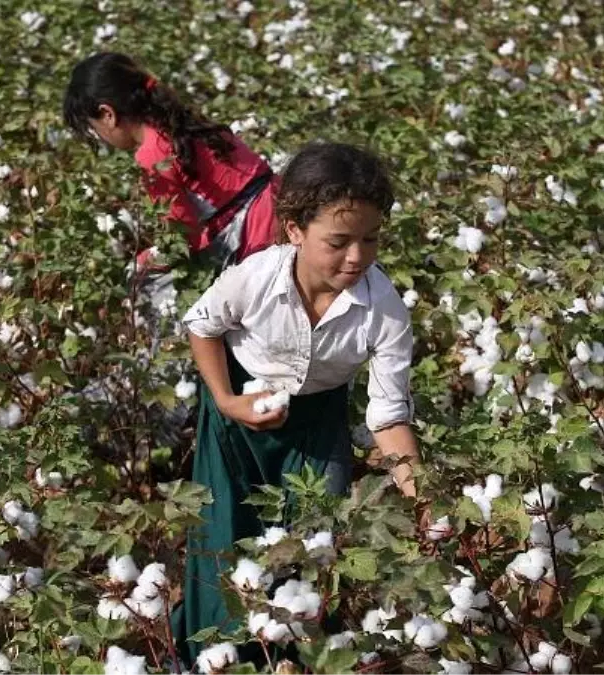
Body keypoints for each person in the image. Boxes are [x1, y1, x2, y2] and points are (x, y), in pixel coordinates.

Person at [170, 141, 422, 666]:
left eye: (371, 239)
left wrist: (422, 498)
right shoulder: (257, 277)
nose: (357, 256)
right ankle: (217, 659)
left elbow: (388, 414)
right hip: (237, 419)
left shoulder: (385, 311)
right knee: (225, 543)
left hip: (316, 427)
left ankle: (295, 661)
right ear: (294, 230)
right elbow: (202, 325)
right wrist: (227, 399)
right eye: (339, 241)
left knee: (311, 552)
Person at [62, 51, 278, 273]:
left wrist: (142, 262)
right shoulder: (181, 120)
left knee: (139, 281)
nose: (99, 137)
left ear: (107, 114)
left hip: (257, 236)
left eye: (94, 128)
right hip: (279, 201)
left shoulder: (151, 155)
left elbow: (182, 239)